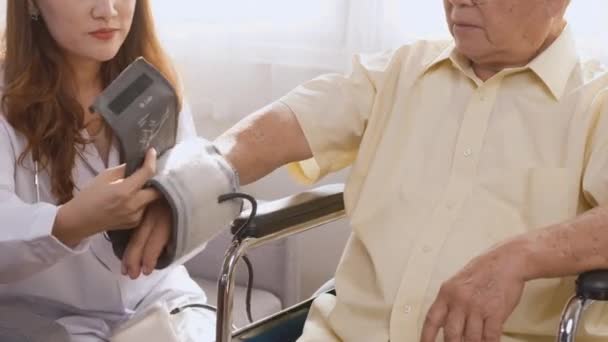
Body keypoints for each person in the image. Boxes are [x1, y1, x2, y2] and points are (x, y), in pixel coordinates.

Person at [141, 0, 608, 340]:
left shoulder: (595, 99)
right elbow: (280, 128)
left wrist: (522, 255)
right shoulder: (403, 70)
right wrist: (184, 192)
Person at [0, 0, 214, 341]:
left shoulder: (154, 85)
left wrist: (174, 208)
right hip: (44, 319)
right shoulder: (4, 100)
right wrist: (71, 222)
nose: (107, 9)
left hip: (163, 302)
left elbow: (199, 187)